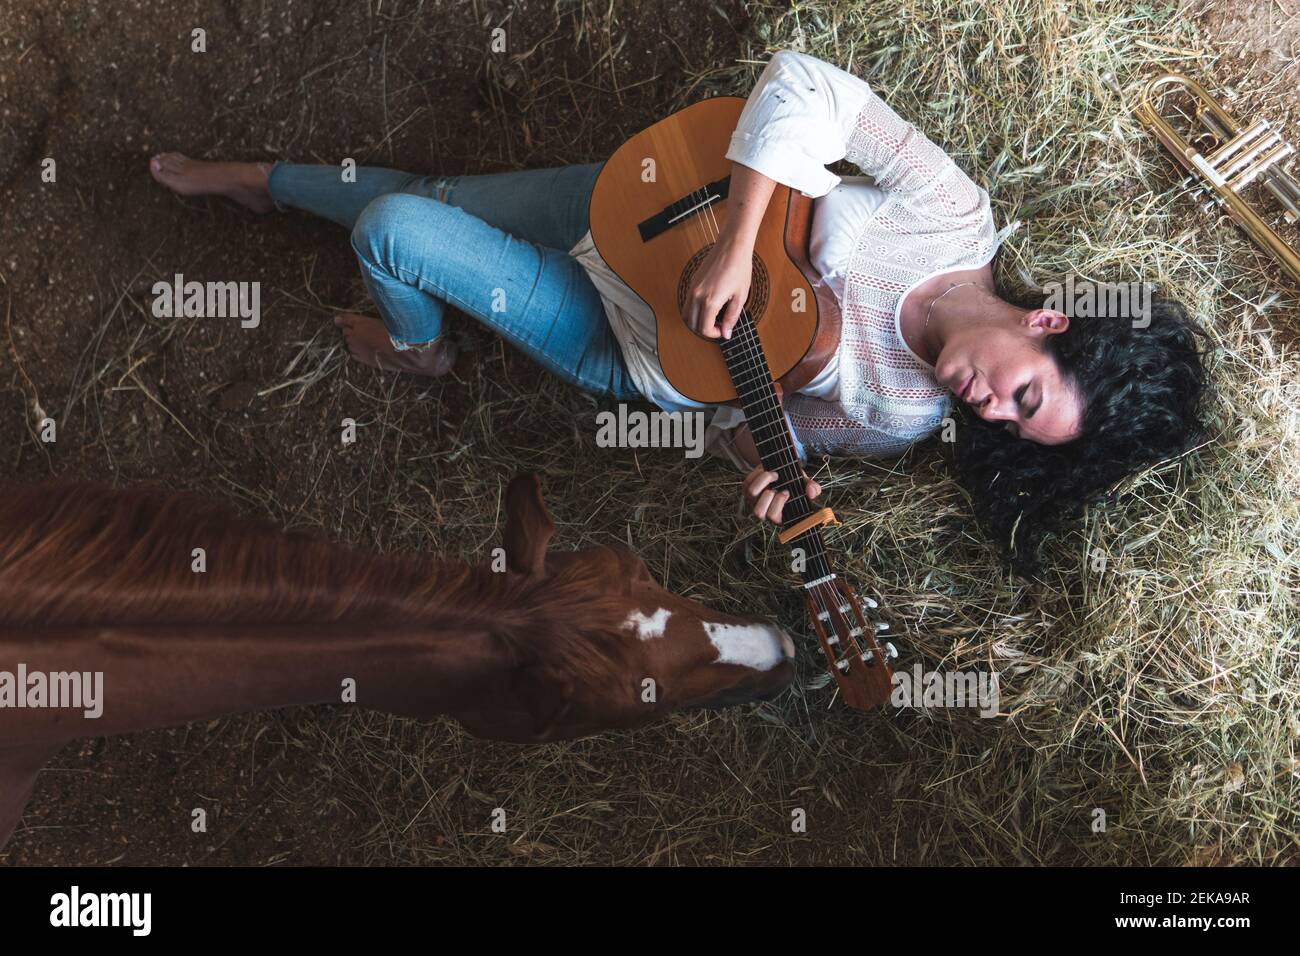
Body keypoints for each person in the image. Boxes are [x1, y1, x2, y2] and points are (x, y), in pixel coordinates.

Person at [149, 50, 1207, 572]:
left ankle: (418, 350)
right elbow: (802, 84)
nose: (985, 406)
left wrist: (754, 457)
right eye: (1022, 393)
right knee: (435, 202)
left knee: (394, 227)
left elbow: (733, 422)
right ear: (1050, 324)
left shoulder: (900, 414)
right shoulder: (951, 213)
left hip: (623, 339)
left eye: (1007, 426)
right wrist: (742, 247)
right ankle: (263, 179)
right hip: (657, 211)